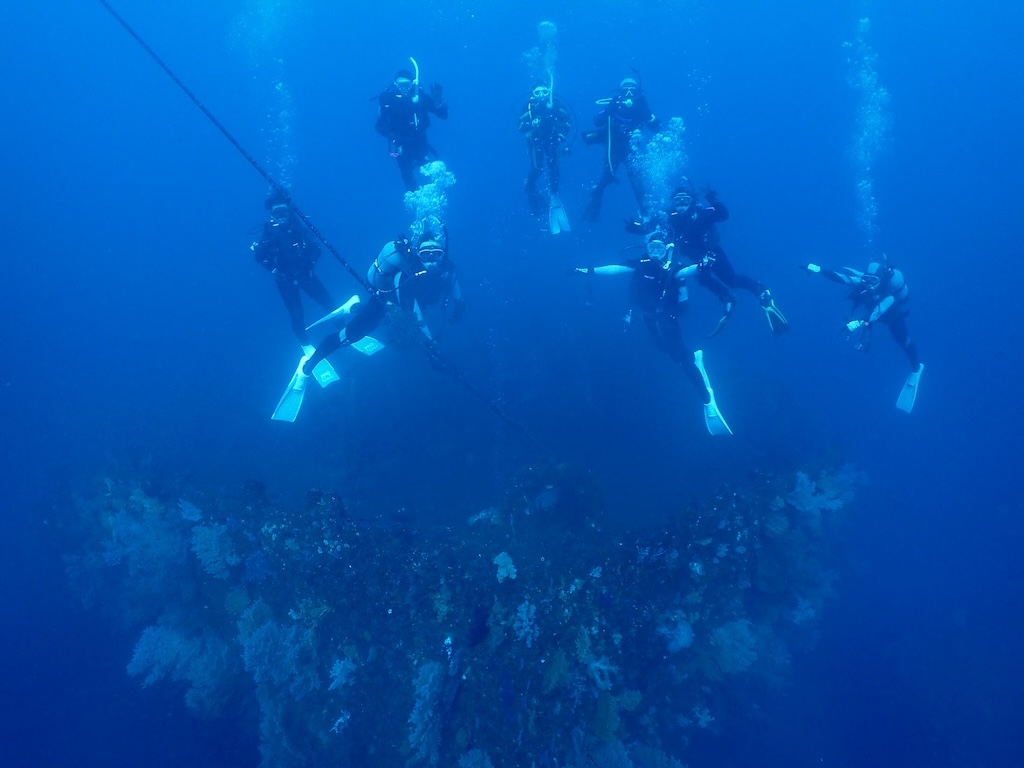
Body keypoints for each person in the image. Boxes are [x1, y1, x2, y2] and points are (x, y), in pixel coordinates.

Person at [568, 235, 733, 435]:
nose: (655, 253)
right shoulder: (641, 263)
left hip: (667, 317)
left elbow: (687, 271)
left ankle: (707, 399)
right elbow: (616, 268)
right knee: (661, 348)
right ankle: (692, 357)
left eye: (659, 248)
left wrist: (702, 265)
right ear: (646, 247)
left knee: (679, 358)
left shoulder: (672, 268)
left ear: (666, 250)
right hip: (648, 316)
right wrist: (588, 270)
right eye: (651, 247)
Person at [631, 181, 788, 335]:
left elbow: (723, 215)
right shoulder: (670, 218)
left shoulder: (701, 214)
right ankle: (726, 296)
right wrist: (636, 229)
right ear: (672, 203)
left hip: (714, 254)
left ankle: (760, 290)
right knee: (703, 278)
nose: (681, 204)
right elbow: (654, 228)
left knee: (732, 281)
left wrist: (713, 200)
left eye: (685, 200)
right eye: (678, 200)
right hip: (697, 258)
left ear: (691, 201)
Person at [804, 255, 924, 412]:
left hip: (891, 317)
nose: (868, 283)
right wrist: (819, 269)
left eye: (873, 280)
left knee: (904, 341)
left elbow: (877, 312)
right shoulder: (862, 282)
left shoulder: (889, 295)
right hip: (872, 315)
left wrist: (859, 322)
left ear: (881, 280)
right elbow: (840, 277)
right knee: (870, 327)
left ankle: (916, 367)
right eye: (867, 279)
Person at [251, 190, 334, 347]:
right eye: (276, 213)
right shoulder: (269, 233)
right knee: (296, 314)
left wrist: (310, 263)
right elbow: (259, 257)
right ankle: (304, 342)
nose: (281, 216)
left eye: (284, 211)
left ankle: (343, 327)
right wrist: (273, 268)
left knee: (329, 303)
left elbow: (317, 249)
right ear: (271, 215)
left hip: (306, 274)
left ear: (290, 212)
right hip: (285, 280)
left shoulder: (299, 229)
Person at [580, 76, 659, 221]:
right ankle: (595, 199)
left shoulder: (641, 106)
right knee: (606, 177)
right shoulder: (615, 104)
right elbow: (597, 121)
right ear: (620, 92)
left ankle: (646, 215)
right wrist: (608, 111)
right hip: (613, 149)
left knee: (637, 183)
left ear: (637, 92)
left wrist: (648, 115)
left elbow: (656, 128)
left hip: (631, 151)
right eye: (625, 91)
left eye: (632, 91)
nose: (628, 94)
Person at [375, 68, 448, 191]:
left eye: (406, 84)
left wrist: (438, 103)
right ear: (395, 84)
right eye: (400, 84)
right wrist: (392, 135)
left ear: (413, 84)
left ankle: (436, 194)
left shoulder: (421, 99)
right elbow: (378, 127)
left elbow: (443, 115)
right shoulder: (389, 101)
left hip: (420, 141)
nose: (403, 88)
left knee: (428, 170)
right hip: (401, 145)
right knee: (408, 178)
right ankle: (414, 196)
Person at [518, 81, 573, 232]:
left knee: (555, 169)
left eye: (544, 92)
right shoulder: (529, 107)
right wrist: (533, 124)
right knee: (537, 169)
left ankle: (554, 193)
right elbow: (520, 126)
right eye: (537, 92)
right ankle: (530, 186)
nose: (541, 95)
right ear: (533, 94)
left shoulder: (555, 105)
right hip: (535, 142)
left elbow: (567, 121)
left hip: (552, 141)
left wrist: (561, 134)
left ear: (549, 92)